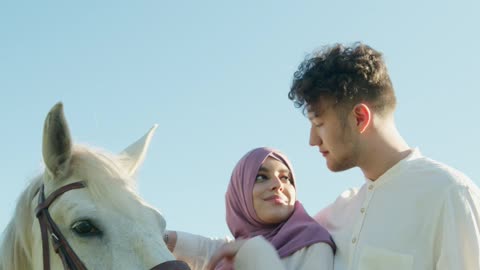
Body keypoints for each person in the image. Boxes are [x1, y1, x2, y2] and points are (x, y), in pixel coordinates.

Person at [283, 42, 480, 269]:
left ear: (359, 118)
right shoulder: (334, 216)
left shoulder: (451, 195)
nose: (312, 140)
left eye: (318, 123)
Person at [164, 147, 335, 270]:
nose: (278, 185)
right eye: (261, 177)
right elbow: (204, 249)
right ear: (239, 193)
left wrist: (254, 251)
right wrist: (154, 235)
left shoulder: (312, 243)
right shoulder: (231, 252)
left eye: (285, 178)